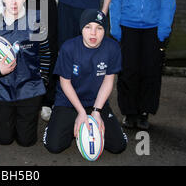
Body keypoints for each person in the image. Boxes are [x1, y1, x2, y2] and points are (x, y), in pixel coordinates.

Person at [109, 0, 176, 130]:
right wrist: (115, 26)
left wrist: (164, 28)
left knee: (150, 71)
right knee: (128, 71)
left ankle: (144, 113)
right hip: (127, 27)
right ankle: (129, 113)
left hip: (153, 29)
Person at [0, 0, 51, 147]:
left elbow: (45, 53)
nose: (13, 2)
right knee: (3, 140)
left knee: (26, 142)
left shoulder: (36, 21)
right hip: (3, 88)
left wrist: (43, 80)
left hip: (30, 89)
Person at [43, 9, 127, 155]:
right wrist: (81, 112)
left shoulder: (112, 48)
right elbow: (65, 83)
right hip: (68, 102)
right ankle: (58, 125)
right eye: (88, 27)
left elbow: (108, 82)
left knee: (118, 146)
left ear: (104, 30)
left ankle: (93, 120)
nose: (93, 33)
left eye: (99, 28)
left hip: (96, 103)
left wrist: (96, 111)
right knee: (54, 146)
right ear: (81, 28)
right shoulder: (68, 48)